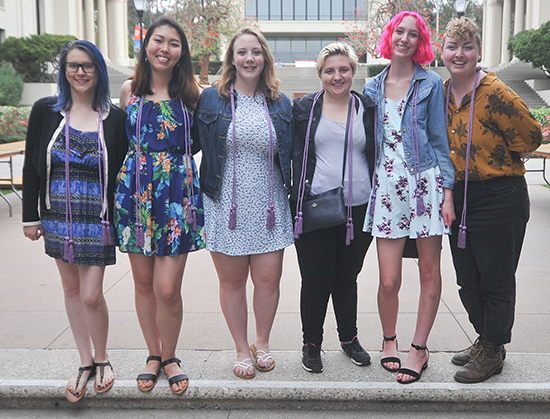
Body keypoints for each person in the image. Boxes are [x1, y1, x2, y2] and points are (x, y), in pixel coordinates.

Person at [22, 40, 127, 402]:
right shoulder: (46, 110)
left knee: (91, 294)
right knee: (70, 292)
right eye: (73, 66)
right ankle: (85, 362)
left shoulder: (115, 118)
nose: (80, 72)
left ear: (99, 71)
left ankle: (103, 358)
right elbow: (32, 166)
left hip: (96, 220)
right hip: (57, 218)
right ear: (64, 72)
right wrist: (30, 218)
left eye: (87, 66)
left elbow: (124, 173)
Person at [442, 17, 542, 383]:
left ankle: (494, 349)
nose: (460, 53)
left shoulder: (496, 91)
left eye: (467, 46)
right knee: (467, 279)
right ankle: (487, 338)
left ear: (479, 51)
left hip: (500, 195)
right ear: (443, 50)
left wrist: (499, 154)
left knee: (495, 279)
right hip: (459, 197)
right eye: (453, 46)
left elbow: (530, 137)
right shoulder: (441, 92)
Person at [193, 26, 293, 379]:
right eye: (242, 52)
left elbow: (295, 153)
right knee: (232, 283)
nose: (249, 58)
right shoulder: (211, 98)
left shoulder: (280, 102)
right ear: (231, 59)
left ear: (264, 57)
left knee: (268, 280)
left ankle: (261, 344)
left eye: (255, 52)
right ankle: (240, 347)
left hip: (269, 207)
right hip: (225, 205)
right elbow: (188, 146)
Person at [362, 11, 455, 384]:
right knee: (388, 280)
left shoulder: (431, 83)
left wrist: (447, 194)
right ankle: (389, 341)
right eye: (398, 31)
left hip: (424, 185)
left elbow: (439, 141)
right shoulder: (371, 87)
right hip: (386, 189)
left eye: (412, 34)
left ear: (421, 43)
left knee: (429, 271)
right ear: (389, 36)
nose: (404, 38)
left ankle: (418, 349)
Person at [114, 16, 205, 394]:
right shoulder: (128, 90)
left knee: (168, 288)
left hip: (177, 196)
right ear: (146, 45)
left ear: (181, 52)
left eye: (173, 43)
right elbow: (117, 143)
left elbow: (201, 142)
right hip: (135, 195)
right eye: (158, 41)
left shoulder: (192, 94)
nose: (164, 49)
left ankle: (171, 355)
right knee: (143, 282)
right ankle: (154, 354)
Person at [291, 43, 375, 373]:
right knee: (315, 280)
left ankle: (349, 338)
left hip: (360, 207)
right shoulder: (305, 109)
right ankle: (311, 344)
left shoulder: (366, 107)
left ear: (353, 72)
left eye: (343, 70)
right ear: (320, 74)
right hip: (316, 208)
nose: (337, 76)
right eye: (329, 70)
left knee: (346, 278)